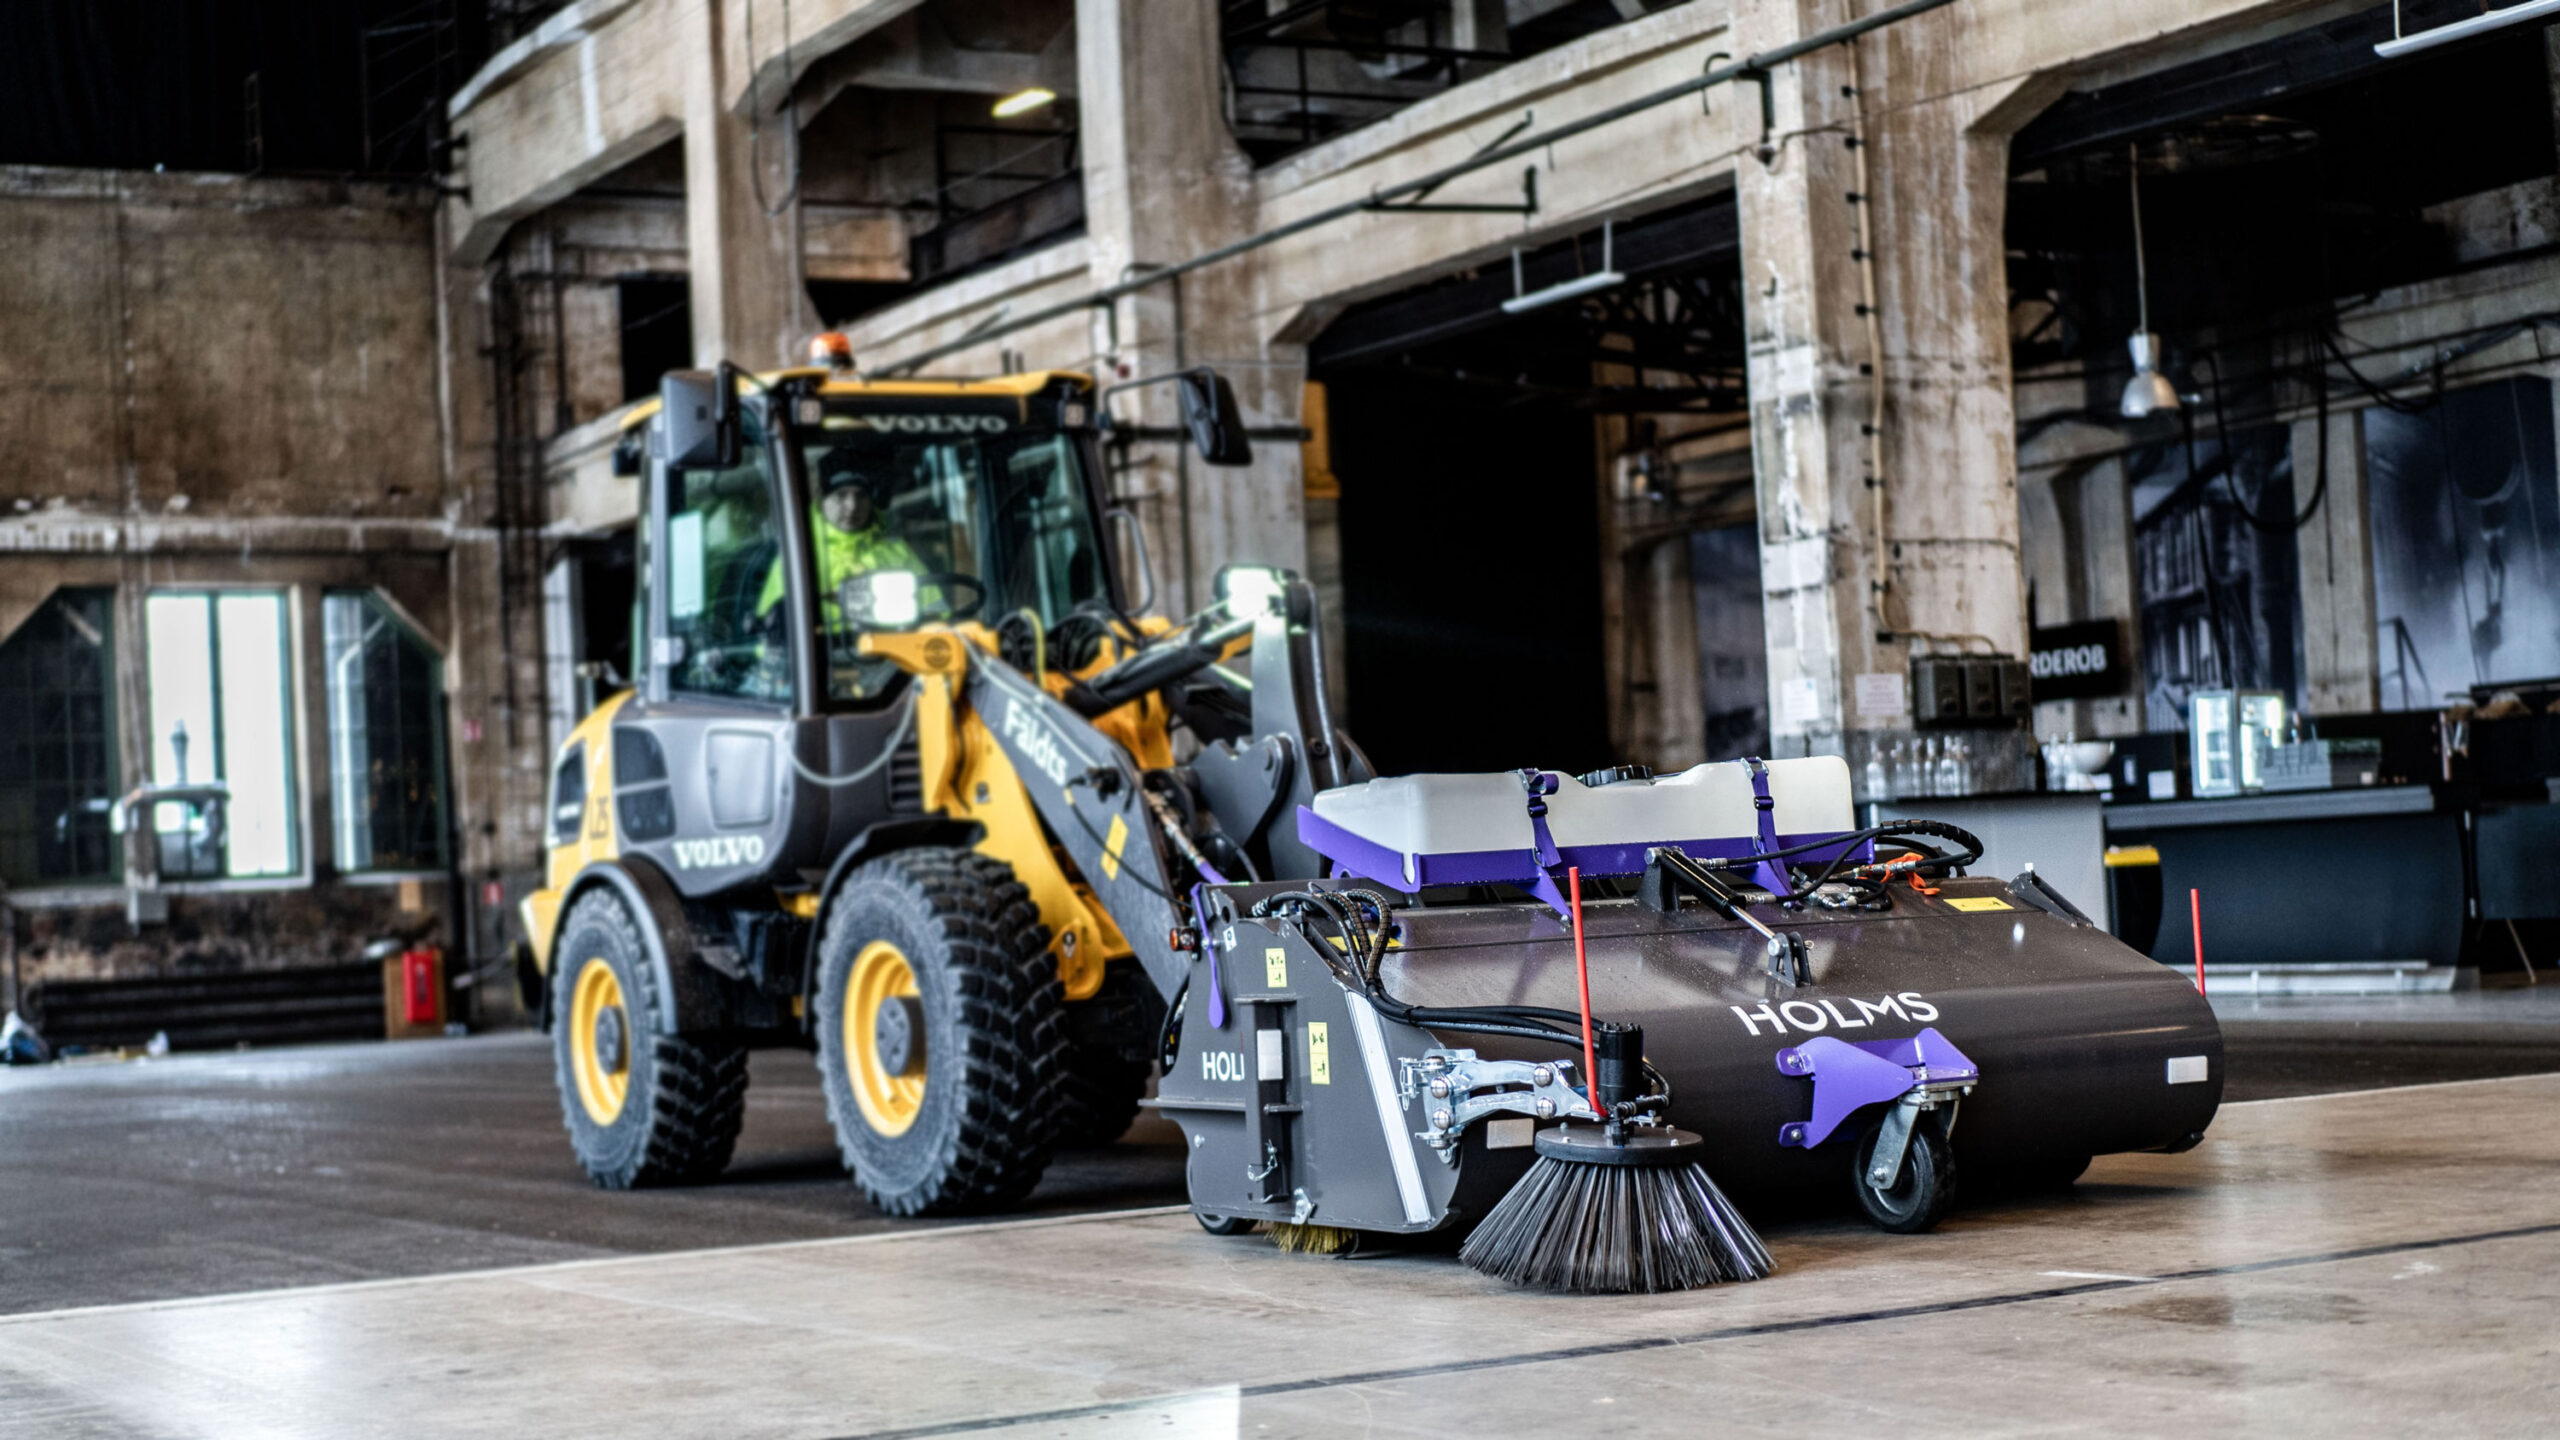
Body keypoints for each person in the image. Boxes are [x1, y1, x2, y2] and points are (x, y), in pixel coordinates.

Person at [756, 447, 927, 626]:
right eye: (841, 495)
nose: (852, 506)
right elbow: (770, 639)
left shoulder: (899, 553)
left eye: (861, 496)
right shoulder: (798, 557)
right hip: (822, 653)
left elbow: (937, 616)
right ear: (822, 501)